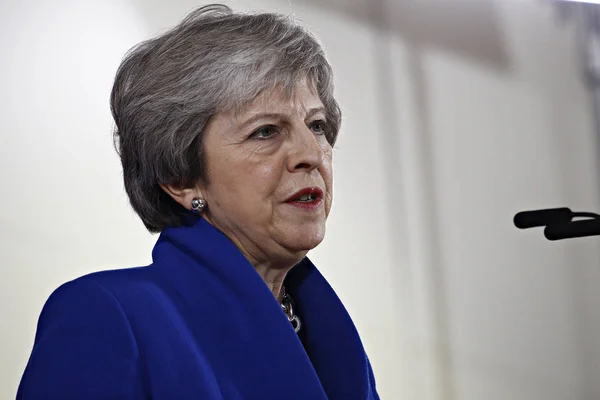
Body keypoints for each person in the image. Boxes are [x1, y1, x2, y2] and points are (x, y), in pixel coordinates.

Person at [17, 4, 379, 399]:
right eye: (265, 132)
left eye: (317, 125)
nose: (311, 153)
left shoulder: (335, 346)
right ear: (182, 178)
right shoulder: (107, 317)